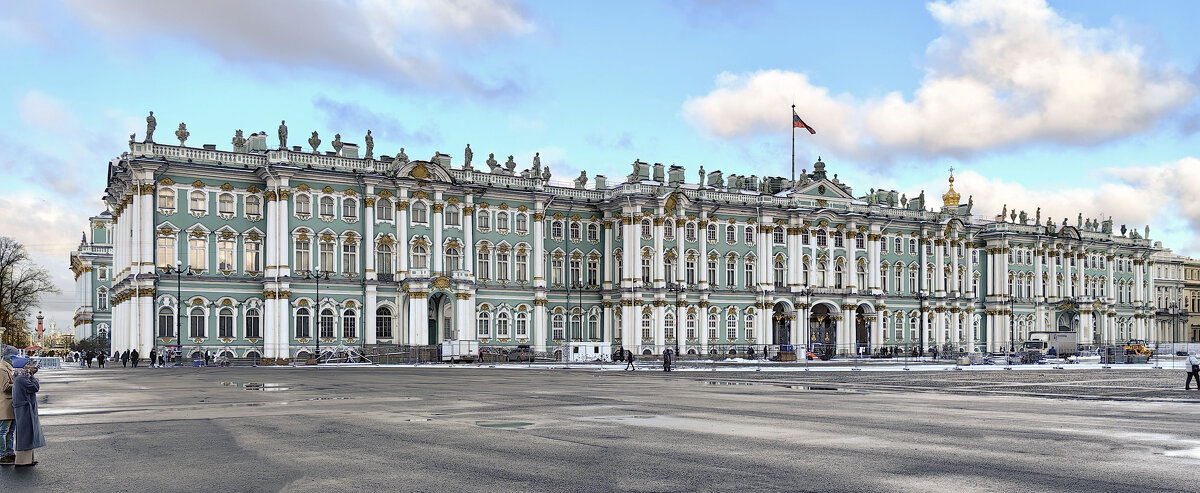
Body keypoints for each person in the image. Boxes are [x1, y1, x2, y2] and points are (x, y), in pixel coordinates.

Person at [11, 359, 44, 466]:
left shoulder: (19, 377)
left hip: (23, 407)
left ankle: (28, 459)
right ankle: (22, 461)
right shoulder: (22, 378)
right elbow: (35, 387)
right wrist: (33, 377)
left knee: (27, 433)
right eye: (27, 365)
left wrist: (30, 374)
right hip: (24, 408)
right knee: (25, 434)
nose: (29, 366)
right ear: (22, 367)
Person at [1, 345, 17, 465]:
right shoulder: (2, 369)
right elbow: (4, 387)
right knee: (3, 431)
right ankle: (2, 454)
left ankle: (9, 452)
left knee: (10, 431)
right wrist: (18, 383)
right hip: (5, 404)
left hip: (10, 404)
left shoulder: (8, 368)